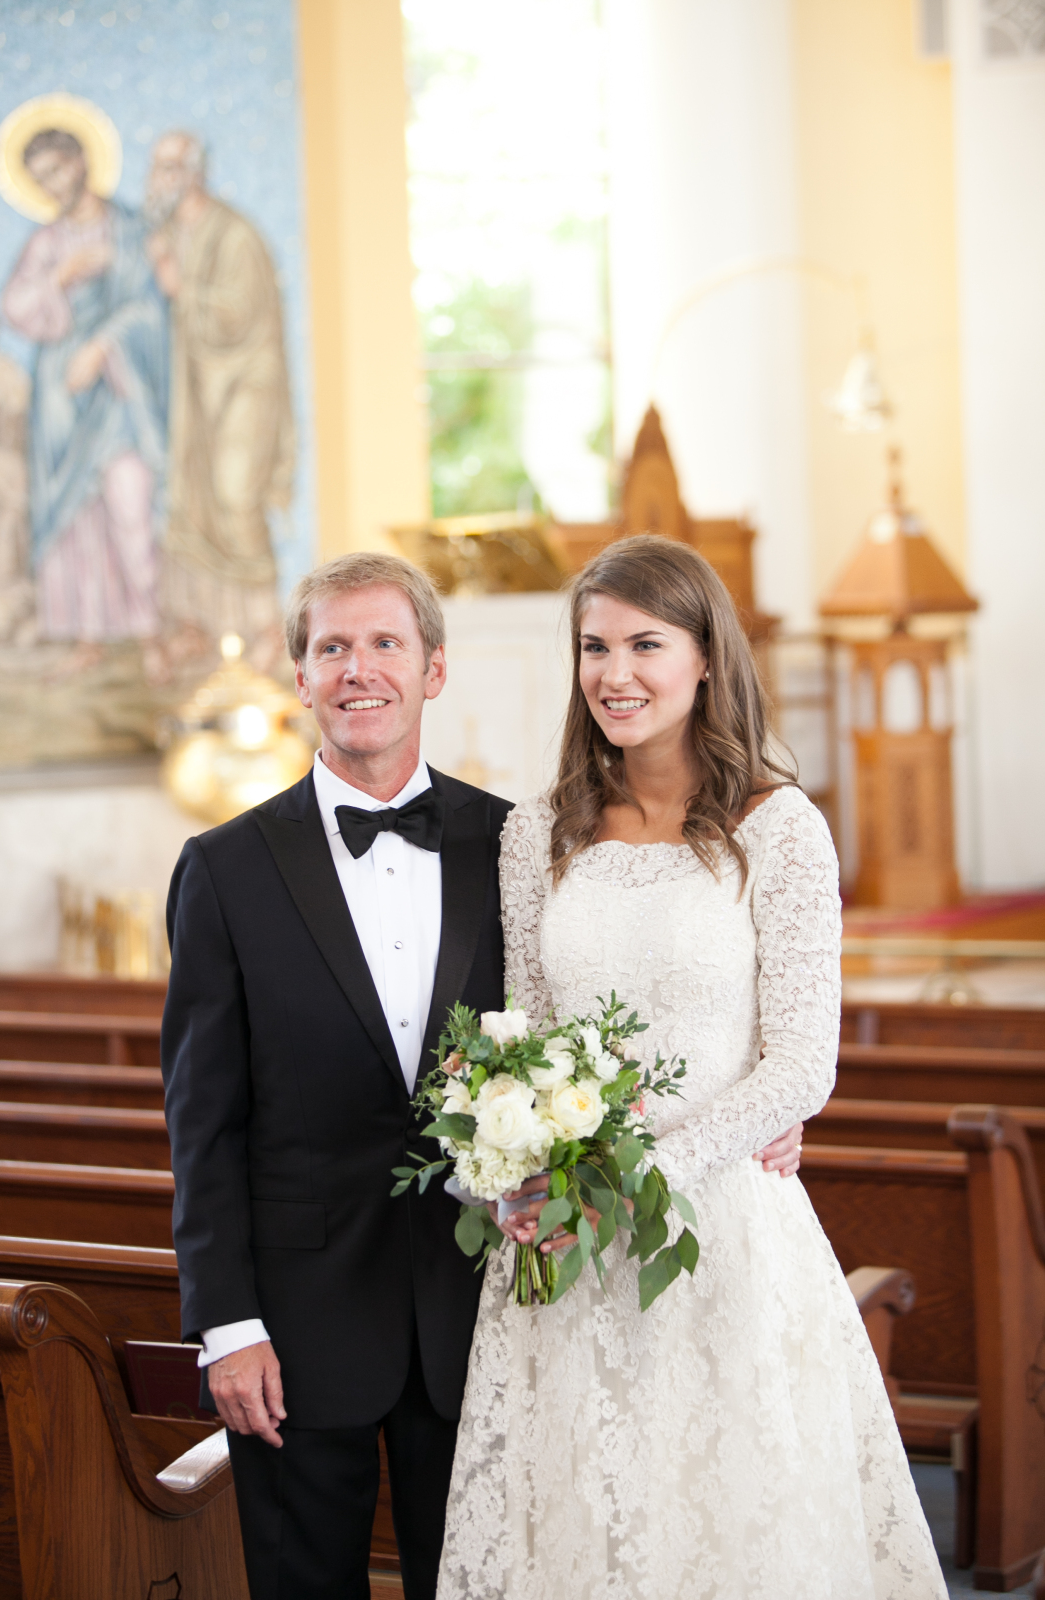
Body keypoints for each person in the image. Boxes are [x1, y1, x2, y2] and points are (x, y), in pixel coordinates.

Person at [161, 551, 805, 1600]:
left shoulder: (516, 837)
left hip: (489, 1301)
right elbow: (202, 1120)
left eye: (386, 643)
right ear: (301, 676)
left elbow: (586, 1030)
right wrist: (227, 1325)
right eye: (332, 647)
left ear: (434, 669)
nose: (359, 669)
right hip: (301, 1312)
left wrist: (746, 1106)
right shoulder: (223, 868)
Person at [437, 535, 947, 1600]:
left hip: (717, 1229)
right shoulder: (537, 834)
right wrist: (514, 1165)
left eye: (645, 644)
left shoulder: (781, 829)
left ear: (706, 656)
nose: (614, 673)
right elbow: (526, 1033)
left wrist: (637, 1182)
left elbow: (800, 1062)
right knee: (582, 1523)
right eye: (594, 647)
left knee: (726, 1524)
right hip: (568, 1243)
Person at [0, 127, 167, 664]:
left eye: (56, 169)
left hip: (121, 392)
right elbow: (16, 306)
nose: (51, 184)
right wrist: (62, 277)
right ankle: (87, 638)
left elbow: (154, 310)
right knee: (76, 520)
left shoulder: (130, 231)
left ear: (80, 161)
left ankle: (151, 635)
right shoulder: (46, 243)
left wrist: (102, 344)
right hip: (61, 401)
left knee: (129, 501)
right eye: (39, 178)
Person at [145, 130, 293, 668]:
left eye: (169, 168)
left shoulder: (235, 234)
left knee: (235, 497)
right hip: (194, 392)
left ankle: (267, 625)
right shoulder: (166, 235)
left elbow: (240, 313)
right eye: (156, 168)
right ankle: (197, 624)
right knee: (189, 500)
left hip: (244, 385)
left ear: (194, 173)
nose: (158, 180)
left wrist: (181, 288)